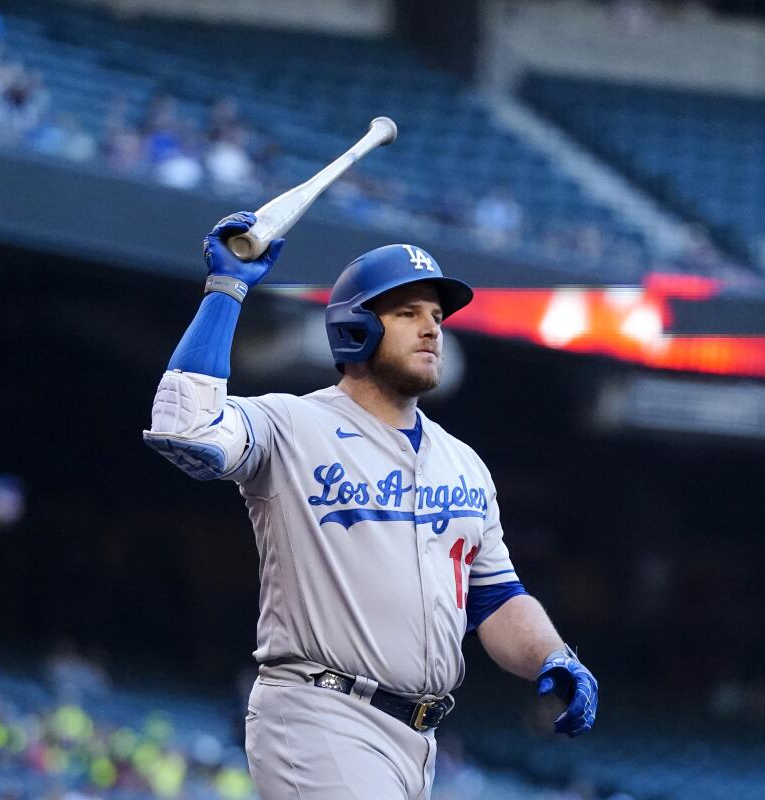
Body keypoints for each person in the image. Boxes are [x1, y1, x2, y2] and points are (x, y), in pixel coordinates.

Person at [143, 212, 598, 799]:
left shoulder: (463, 463)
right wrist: (227, 291)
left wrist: (553, 657)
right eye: (408, 313)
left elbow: (494, 599)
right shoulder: (293, 424)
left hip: (419, 739)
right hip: (319, 711)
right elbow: (184, 428)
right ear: (354, 327)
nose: (432, 329)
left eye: (436, 316)